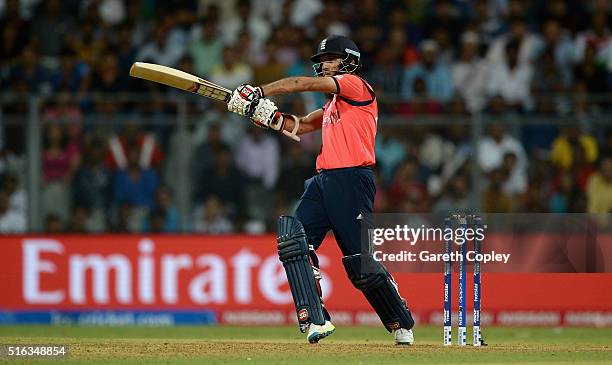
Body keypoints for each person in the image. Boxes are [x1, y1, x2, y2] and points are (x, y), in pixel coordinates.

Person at [227, 35, 415, 345]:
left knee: (361, 268)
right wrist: (261, 114)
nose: (323, 64)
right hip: (323, 181)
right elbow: (297, 126)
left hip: (352, 180)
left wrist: (259, 91)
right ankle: (316, 319)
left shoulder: (357, 86)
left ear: (349, 60)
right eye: (322, 59)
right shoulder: (331, 109)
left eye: (330, 58)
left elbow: (301, 84)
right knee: (292, 240)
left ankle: (401, 322)